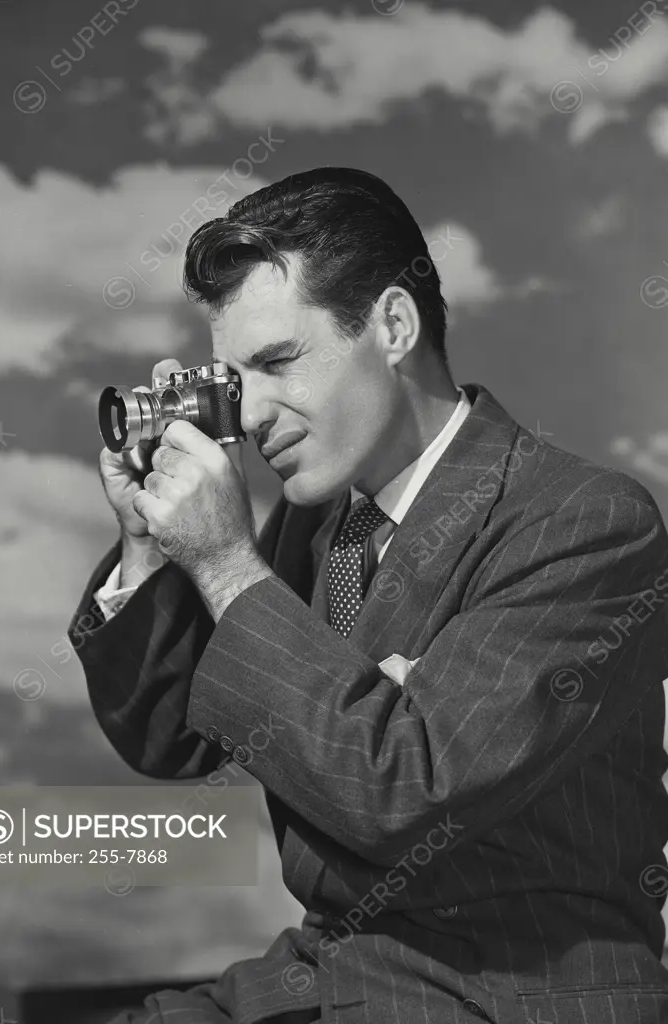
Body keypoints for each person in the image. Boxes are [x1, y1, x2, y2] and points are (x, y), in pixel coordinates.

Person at [70, 167, 668, 1024]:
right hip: (330, 970)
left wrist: (232, 568)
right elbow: (167, 741)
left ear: (392, 323)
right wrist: (151, 545)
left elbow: (402, 793)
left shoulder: (584, 522)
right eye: (236, 383)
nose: (256, 416)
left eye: (280, 362)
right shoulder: (316, 530)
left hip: (505, 993)